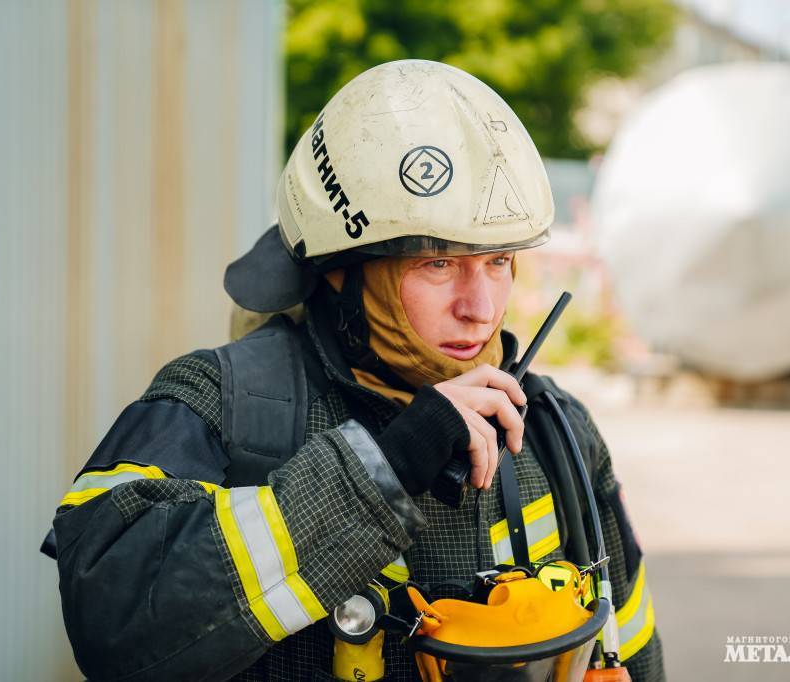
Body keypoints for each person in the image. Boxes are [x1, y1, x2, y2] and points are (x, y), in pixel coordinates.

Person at [44, 60, 664, 681]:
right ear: (342, 270)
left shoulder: (558, 432)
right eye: (436, 265)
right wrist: (385, 466)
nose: (480, 310)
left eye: (497, 261)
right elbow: (114, 626)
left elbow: (631, 642)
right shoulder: (218, 405)